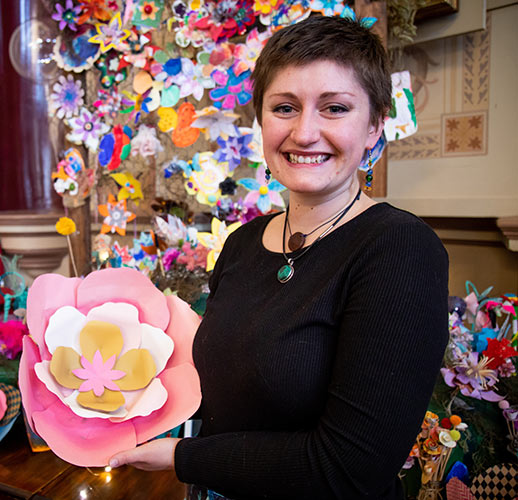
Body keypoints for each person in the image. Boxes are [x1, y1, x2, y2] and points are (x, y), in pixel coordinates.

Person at [109, 15, 449, 500]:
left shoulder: (399, 250)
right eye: (285, 107)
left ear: (375, 126)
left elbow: (350, 469)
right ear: (262, 120)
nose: (305, 132)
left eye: (334, 108)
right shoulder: (243, 243)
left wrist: (184, 459)